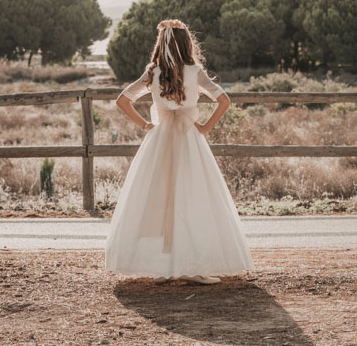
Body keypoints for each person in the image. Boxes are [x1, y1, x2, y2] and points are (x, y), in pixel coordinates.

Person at [105, 19, 254, 285]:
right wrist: (206, 127)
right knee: (192, 196)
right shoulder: (194, 71)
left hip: (159, 140)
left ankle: (163, 266)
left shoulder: (153, 72)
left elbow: (122, 100)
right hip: (189, 139)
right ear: (187, 43)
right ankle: (190, 265)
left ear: (160, 44)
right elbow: (224, 100)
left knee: (158, 197)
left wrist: (145, 124)